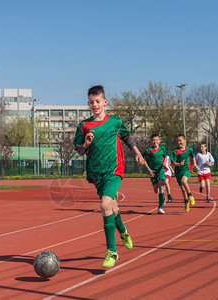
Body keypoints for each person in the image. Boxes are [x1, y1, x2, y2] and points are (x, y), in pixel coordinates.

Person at [73, 85, 145, 268]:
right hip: (96, 172)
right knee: (112, 206)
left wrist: (138, 153)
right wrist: (87, 143)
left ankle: (112, 251)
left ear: (105, 102)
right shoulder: (84, 125)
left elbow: (127, 138)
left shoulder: (115, 122)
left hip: (114, 169)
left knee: (105, 204)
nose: (94, 105)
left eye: (98, 101)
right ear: (87, 103)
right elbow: (80, 151)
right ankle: (123, 231)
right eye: (91, 102)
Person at [171, 134, 197, 212]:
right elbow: (173, 163)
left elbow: (192, 156)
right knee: (182, 188)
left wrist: (194, 163)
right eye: (177, 141)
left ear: (185, 140)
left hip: (187, 169)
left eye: (180, 140)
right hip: (178, 171)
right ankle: (186, 201)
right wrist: (179, 164)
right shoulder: (175, 152)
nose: (179, 142)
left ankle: (190, 195)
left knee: (184, 181)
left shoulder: (189, 149)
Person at [142, 134, 168, 214]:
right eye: (153, 140)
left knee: (161, 187)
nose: (155, 141)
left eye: (157, 140)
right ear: (151, 141)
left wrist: (164, 163)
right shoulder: (148, 151)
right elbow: (144, 161)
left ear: (159, 141)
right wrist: (149, 170)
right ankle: (162, 197)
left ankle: (160, 207)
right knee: (156, 190)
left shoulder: (162, 148)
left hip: (161, 171)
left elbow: (166, 157)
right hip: (153, 172)